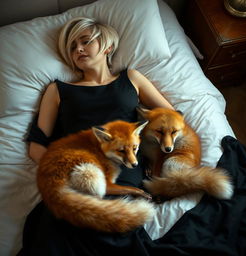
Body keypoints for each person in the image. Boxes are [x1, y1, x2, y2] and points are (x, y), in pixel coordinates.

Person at [20, 17, 174, 255]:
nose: (78, 49)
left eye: (85, 41)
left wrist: (155, 158)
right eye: (72, 47)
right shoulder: (58, 90)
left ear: (108, 47)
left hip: (122, 175)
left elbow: (170, 120)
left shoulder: (131, 79)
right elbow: (36, 147)